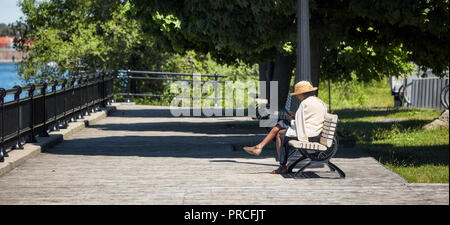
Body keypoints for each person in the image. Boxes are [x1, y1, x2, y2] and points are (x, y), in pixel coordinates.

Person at [244, 81, 327, 174]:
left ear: (302, 94)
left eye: (298, 95)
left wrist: (291, 119)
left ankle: (281, 165)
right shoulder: (319, 102)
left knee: (280, 133)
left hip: (310, 134)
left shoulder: (305, 104)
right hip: (315, 132)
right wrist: (295, 116)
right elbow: (309, 118)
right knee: (281, 126)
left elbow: (301, 123)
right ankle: (260, 148)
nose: (298, 97)